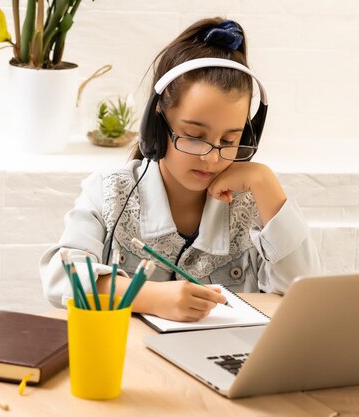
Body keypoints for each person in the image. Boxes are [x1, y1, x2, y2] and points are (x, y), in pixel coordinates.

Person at [40, 17, 321, 322]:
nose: (211, 159)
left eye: (229, 139)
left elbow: (305, 297)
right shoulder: (109, 192)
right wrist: (149, 297)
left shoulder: (253, 205)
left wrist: (265, 182)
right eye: (195, 136)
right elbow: (60, 277)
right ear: (157, 125)